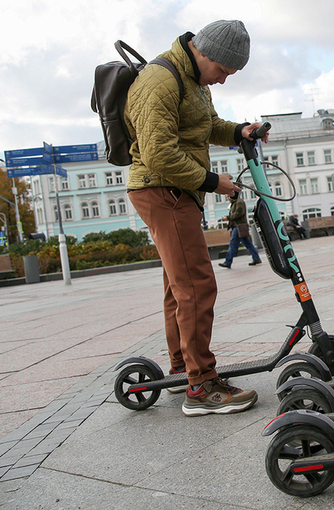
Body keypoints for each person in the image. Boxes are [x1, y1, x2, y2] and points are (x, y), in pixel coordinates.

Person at [125, 20, 266, 417]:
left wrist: (240, 130)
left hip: (173, 190)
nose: (222, 81)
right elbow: (158, 154)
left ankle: (181, 366)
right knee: (197, 286)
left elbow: (205, 128)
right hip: (161, 190)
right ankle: (201, 386)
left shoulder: (194, 80)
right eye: (223, 71)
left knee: (179, 285)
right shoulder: (161, 81)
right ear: (203, 52)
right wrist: (211, 181)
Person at [219, 194, 262, 268]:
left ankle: (228, 262)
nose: (228, 198)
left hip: (238, 226)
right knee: (247, 243)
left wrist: (228, 218)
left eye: (229, 196)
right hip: (237, 226)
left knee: (233, 243)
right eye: (227, 197)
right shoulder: (234, 203)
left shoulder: (239, 202)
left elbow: (238, 214)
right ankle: (256, 258)